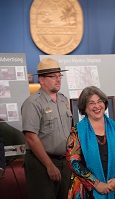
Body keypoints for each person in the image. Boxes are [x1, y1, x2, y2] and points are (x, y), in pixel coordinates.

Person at [66, 86, 115, 199]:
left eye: (99, 101)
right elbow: (73, 161)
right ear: (84, 107)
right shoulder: (77, 131)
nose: (97, 106)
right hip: (87, 190)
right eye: (91, 103)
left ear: (104, 104)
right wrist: (96, 183)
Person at [21, 58, 72, 199]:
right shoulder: (33, 103)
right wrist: (49, 165)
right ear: (41, 80)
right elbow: (31, 137)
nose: (58, 79)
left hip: (64, 162)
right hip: (42, 163)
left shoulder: (63, 100)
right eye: (53, 76)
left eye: (59, 75)